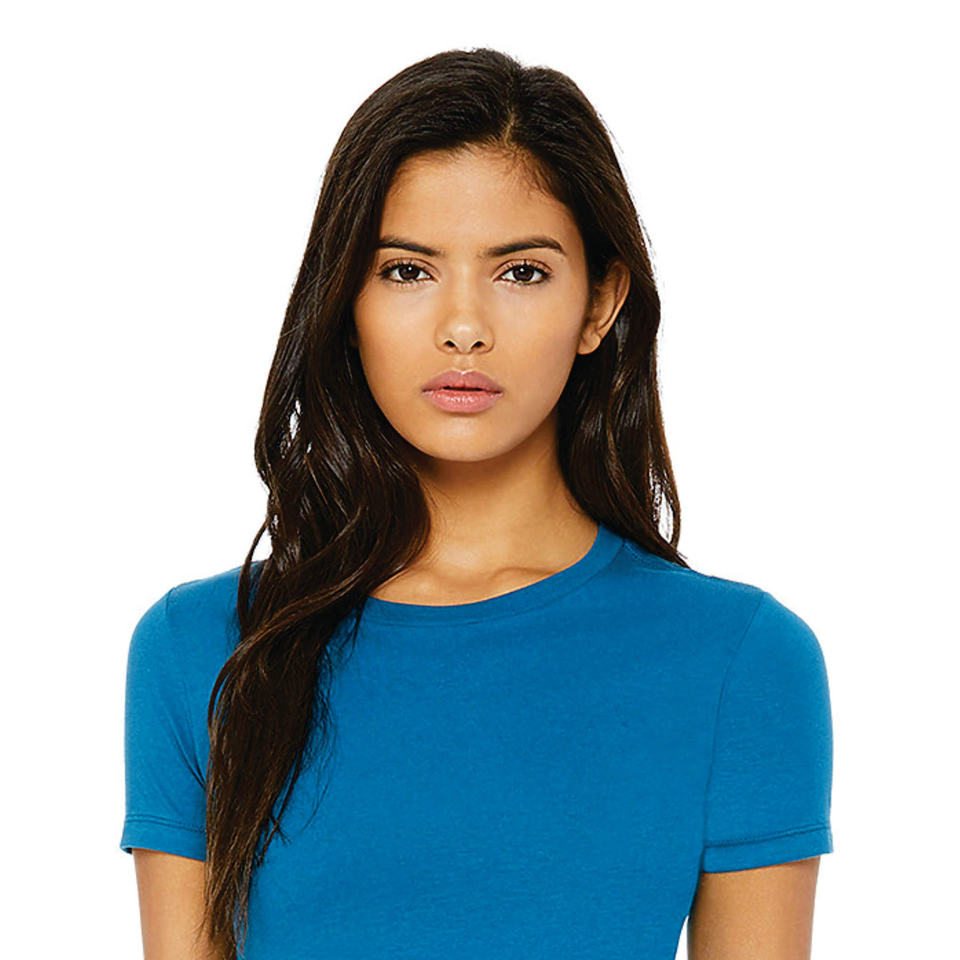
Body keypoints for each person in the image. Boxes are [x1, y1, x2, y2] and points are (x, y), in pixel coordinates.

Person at [120, 47, 834, 960]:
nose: (463, 327)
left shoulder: (740, 660)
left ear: (600, 303)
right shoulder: (203, 647)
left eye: (521, 272)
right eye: (407, 271)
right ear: (345, 301)